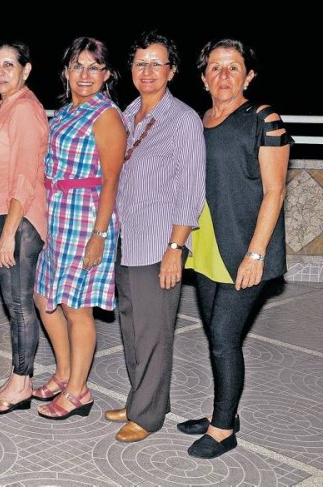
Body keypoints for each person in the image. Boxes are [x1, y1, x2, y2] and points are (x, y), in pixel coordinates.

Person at [178, 39, 291, 459]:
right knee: (215, 335)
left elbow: (275, 191)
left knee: (225, 339)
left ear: (249, 75)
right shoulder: (200, 120)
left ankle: (224, 429)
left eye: (233, 67)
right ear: (204, 75)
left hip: (245, 250)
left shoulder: (263, 118)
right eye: (215, 67)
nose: (223, 76)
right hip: (206, 245)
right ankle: (221, 413)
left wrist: (257, 254)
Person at [103, 31, 205, 442]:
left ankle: (146, 417)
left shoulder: (183, 120)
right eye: (140, 63)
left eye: (156, 63)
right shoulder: (127, 113)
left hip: (158, 243)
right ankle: (141, 398)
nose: (147, 71)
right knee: (131, 327)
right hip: (126, 241)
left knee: (154, 331)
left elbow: (191, 189)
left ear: (172, 71)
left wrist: (175, 248)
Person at [33, 37, 126, 421]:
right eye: (77, 66)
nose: (84, 75)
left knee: (77, 307)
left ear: (106, 75)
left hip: (87, 218)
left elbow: (111, 180)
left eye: (93, 68)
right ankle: (65, 371)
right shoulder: (69, 110)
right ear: (66, 71)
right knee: (45, 297)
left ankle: (77, 392)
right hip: (58, 215)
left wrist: (99, 235)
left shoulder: (105, 115)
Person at [0, 41, 48, 415]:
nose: (0, 71)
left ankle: (22, 384)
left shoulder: (24, 109)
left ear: (26, 69)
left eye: (9, 64)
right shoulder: (5, 107)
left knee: (19, 304)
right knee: (14, 301)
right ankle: (19, 377)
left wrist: (8, 231)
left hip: (18, 218)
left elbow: (25, 175)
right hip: (4, 216)